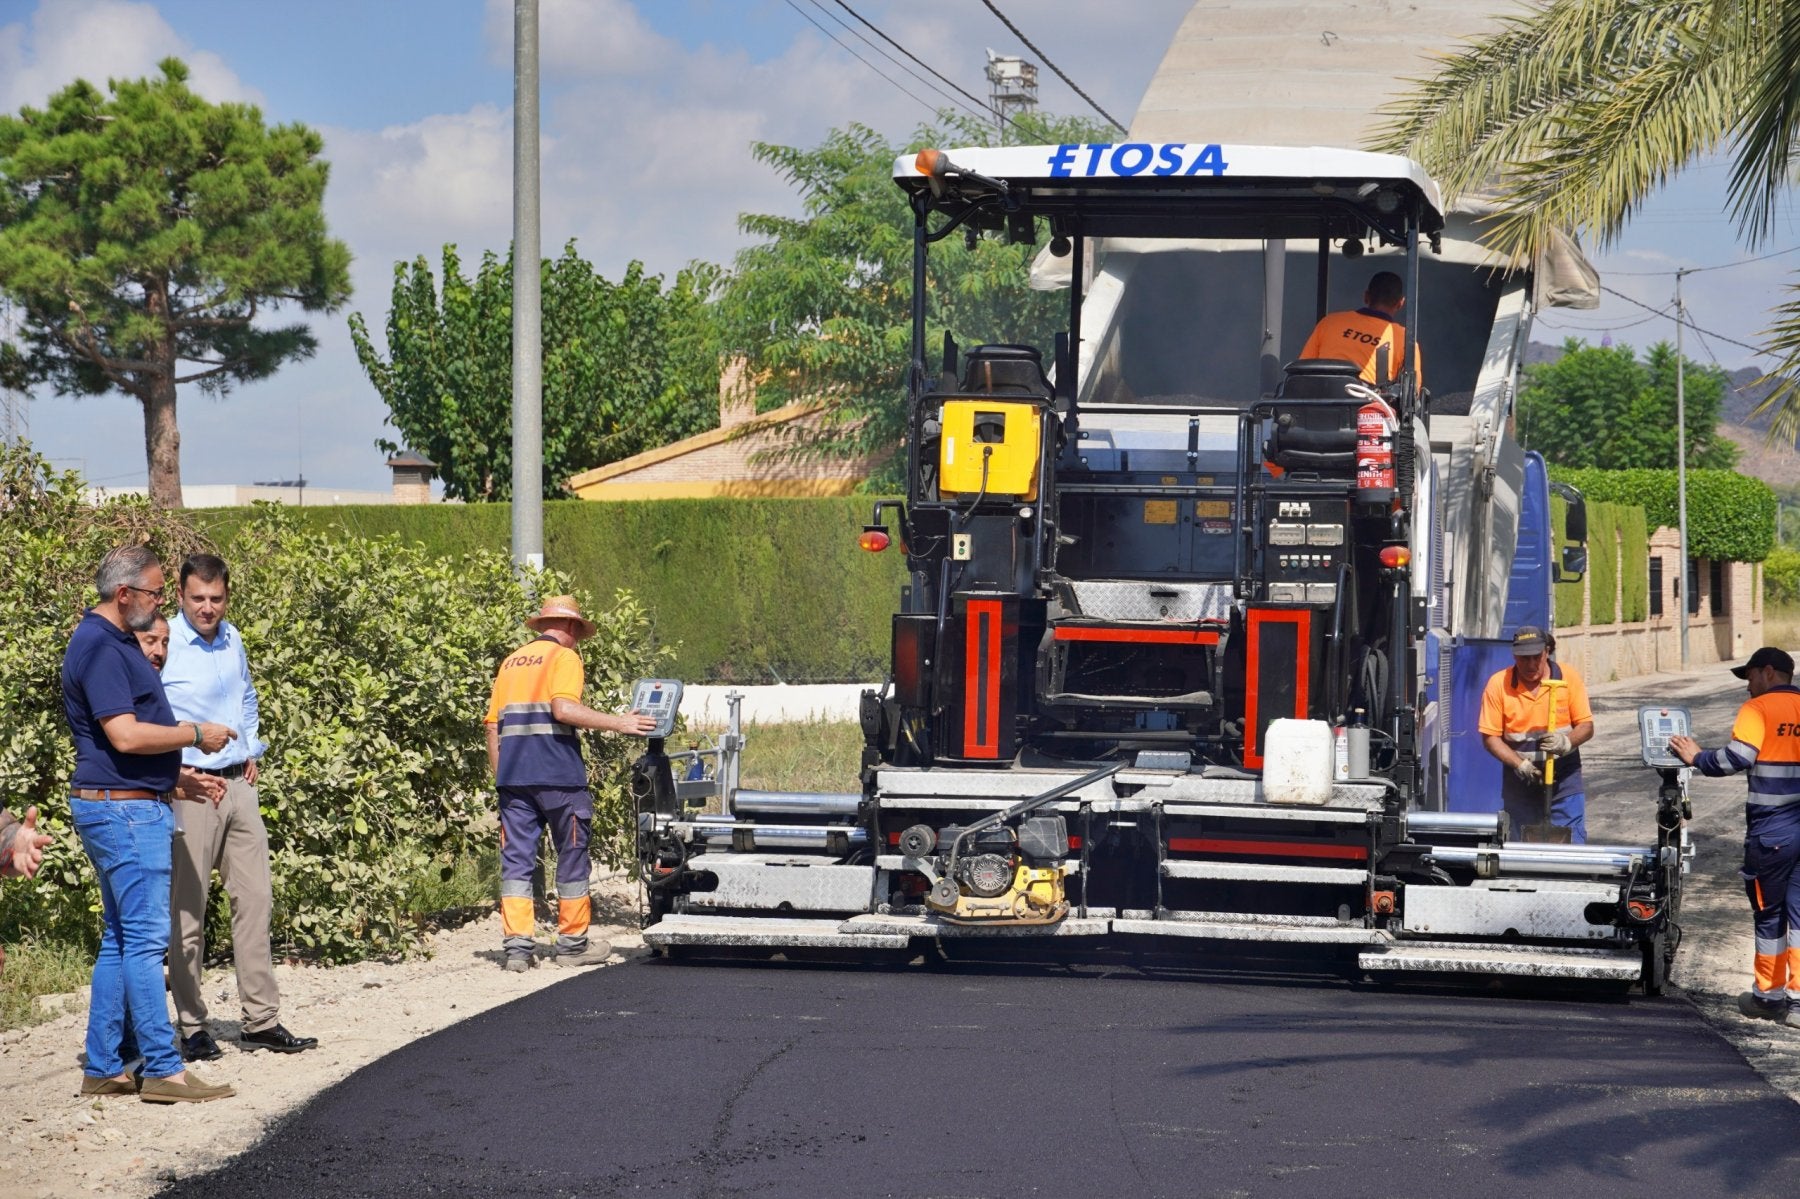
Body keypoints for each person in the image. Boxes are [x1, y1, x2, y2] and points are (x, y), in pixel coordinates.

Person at [62, 544, 236, 1103]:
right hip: (125, 811)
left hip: (124, 799)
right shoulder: (103, 648)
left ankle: (105, 1064)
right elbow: (126, 735)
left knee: (119, 939)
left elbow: (125, 748)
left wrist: (175, 779)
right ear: (123, 595)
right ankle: (162, 1068)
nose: (162, 601)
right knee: (143, 942)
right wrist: (194, 735)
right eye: (157, 592)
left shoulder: (103, 641)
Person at [161, 553, 316, 1060]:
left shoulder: (233, 638)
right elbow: (149, 714)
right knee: (188, 909)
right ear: (181, 596)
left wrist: (249, 747)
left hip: (239, 785)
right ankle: (192, 1026)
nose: (208, 608)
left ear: (227, 597)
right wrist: (174, 772)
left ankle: (261, 1021)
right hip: (191, 788)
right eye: (198, 598)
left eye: (217, 598)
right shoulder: (164, 645)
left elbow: (245, 696)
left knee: (255, 902)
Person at [484, 595, 656, 972]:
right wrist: (620, 722)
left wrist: (502, 778)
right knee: (572, 857)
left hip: (513, 781)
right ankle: (572, 946)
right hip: (559, 778)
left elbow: (493, 726)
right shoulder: (565, 658)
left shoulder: (511, 662)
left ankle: (517, 950)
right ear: (574, 628)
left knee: (516, 863)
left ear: (543, 624)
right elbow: (563, 709)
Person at [1669, 647, 1800, 1026]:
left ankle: (1768, 998)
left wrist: (1696, 756)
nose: (1747, 687)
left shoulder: (1758, 710)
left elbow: (1734, 759)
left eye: (1751, 676)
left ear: (1770, 672)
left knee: (1769, 913)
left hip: (1772, 832)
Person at [1478, 625, 1594, 843]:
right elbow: (1490, 737)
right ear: (1514, 655)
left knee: (1572, 846)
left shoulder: (1568, 677)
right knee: (1521, 847)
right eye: (1524, 659)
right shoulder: (1498, 685)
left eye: (1536, 657)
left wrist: (1566, 742)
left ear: (1547, 651)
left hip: (1564, 780)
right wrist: (1520, 765)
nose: (1531, 665)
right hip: (1520, 783)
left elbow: (1586, 726)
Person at [1298, 269, 1423, 388]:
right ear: (1400, 303)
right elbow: (1412, 390)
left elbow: (1302, 370)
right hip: (1367, 405)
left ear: (1366, 296)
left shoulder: (1330, 322)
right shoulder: (1405, 339)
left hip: (1320, 402)